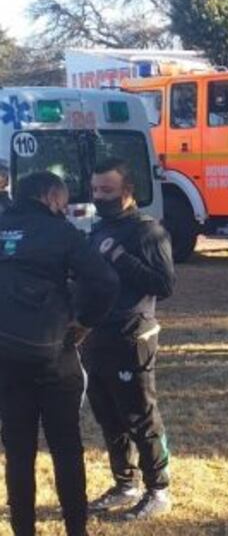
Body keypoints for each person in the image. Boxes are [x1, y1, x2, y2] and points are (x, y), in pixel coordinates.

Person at [0, 171, 119, 536]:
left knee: (18, 453)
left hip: (6, 357)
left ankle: (23, 529)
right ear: (51, 197)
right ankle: (75, 529)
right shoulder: (63, 233)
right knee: (66, 446)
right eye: (64, 201)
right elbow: (105, 281)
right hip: (54, 356)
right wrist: (85, 321)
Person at [83, 158, 177, 521]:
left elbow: (164, 285)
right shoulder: (98, 229)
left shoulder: (147, 231)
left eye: (107, 190)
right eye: (95, 190)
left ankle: (159, 490)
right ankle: (126, 484)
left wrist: (121, 257)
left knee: (140, 415)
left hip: (132, 334)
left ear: (127, 191)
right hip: (97, 335)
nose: (99, 197)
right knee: (108, 415)